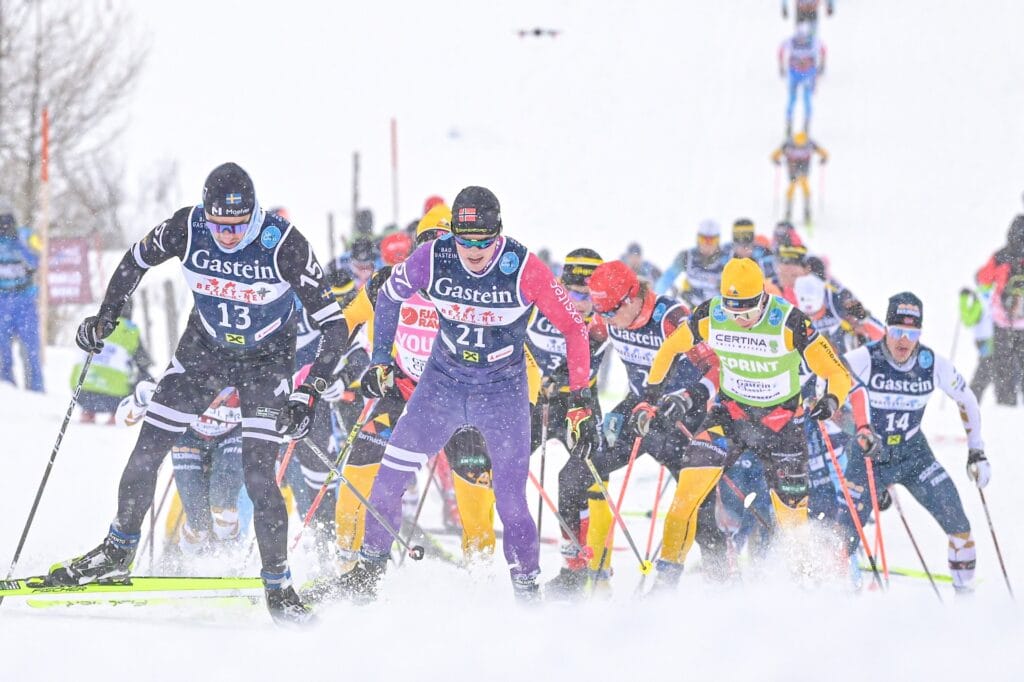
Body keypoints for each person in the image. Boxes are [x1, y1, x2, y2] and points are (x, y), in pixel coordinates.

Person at [47, 162, 350, 625]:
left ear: (254, 214)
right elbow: (133, 260)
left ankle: (279, 584)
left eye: (237, 225)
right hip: (204, 351)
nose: (227, 235)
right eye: (219, 225)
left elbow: (334, 324)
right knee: (147, 451)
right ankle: (116, 551)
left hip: (265, 364)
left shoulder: (283, 242)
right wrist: (106, 317)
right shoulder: (187, 226)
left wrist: (308, 392)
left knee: (258, 474)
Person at [341, 186, 596, 602]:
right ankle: (367, 578)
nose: (473, 251)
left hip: (501, 392)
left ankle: (526, 592)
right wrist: (381, 361)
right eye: (464, 240)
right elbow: (386, 297)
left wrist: (581, 398)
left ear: (499, 234)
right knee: (386, 483)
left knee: (511, 502)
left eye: (483, 241)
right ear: (452, 234)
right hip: (441, 386)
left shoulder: (522, 266)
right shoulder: (433, 257)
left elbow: (573, 328)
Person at [643, 258, 852, 589]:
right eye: (733, 311)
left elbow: (837, 372)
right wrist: (652, 392)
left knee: (793, 525)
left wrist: (831, 400)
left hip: (781, 426)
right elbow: (670, 347)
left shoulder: (788, 321)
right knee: (685, 500)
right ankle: (664, 587)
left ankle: (806, 594)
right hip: (731, 418)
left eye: (748, 311)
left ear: (763, 298)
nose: (740, 320)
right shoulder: (712, 316)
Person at [582, 261, 723, 592]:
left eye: (610, 311)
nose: (605, 320)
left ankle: (723, 586)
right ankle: (590, 575)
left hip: (684, 417)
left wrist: (688, 399)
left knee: (700, 514)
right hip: (640, 409)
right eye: (599, 312)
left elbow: (715, 368)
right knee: (582, 468)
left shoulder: (671, 319)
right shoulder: (609, 315)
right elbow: (587, 346)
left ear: (631, 298)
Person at [841, 293, 988, 593]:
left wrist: (977, 451)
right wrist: (854, 429)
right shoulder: (866, 358)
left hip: (913, 454)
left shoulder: (930, 363)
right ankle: (840, 597)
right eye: (896, 331)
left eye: (911, 333)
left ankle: (966, 606)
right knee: (841, 537)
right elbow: (825, 388)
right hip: (869, 456)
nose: (903, 341)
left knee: (960, 526)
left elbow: (967, 400)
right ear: (886, 328)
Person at [525, 247, 611, 595]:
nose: (581, 302)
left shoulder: (601, 322)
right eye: (574, 293)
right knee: (499, 466)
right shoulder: (537, 309)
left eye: (589, 294)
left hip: (581, 408)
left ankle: (587, 569)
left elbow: (584, 362)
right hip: (536, 404)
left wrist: (556, 380)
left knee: (580, 486)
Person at [115, 382, 246, 562]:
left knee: (222, 506)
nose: (215, 403)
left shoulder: (245, 388)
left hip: (231, 437)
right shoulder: (182, 383)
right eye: (210, 394)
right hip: (188, 438)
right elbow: (122, 421)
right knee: (198, 525)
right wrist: (140, 399)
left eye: (223, 397)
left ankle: (233, 558)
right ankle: (180, 563)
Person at [71, 299, 154, 424]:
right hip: (114, 398)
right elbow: (143, 362)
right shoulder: (130, 329)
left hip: (82, 393)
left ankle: (88, 412)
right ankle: (115, 414)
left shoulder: (95, 324)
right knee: (143, 378)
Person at [974, 215, 1024, 405]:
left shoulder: (1002, 256)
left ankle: (1005, 403)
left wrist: (978, 276)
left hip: (1003, 322)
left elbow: (983, 279)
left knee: (1004, 365)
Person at [0, 204, 43, 392]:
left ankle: (36, 390)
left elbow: (38, 259)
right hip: (2, 302)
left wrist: (19, 244)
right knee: (2, 352)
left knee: (31, 351)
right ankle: (7, 389)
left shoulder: (26, 235)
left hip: (25, 301)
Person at [654, 220, 729, 306]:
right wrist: (656, 299)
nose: (707, 244)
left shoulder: (726, 260)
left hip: (718, 309)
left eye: (712, 240)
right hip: (693, 308)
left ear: (718, 241)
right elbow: (666, 279)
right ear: (697, 239)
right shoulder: (686, 257)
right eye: (703, 239)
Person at [778, 23, 826, 135]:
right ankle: (792, 123)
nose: (801, 42)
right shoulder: (795, 41)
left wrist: (821, 66)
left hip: (805, 74)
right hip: (798, 74)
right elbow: (781, 50)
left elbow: (823, 50)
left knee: (806, 99)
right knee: (793, 99)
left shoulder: (812, 41)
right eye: (799, 39)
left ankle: (805, 124)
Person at [771, 131, 828, 223]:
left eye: (802, 146)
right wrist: (775, 159)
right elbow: (776, 153)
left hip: (804, 166)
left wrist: (824, 158)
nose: (800, 147)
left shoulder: (810, 143)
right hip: (792, 167)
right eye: (798, 145)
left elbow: (823, 152)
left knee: (805, 185)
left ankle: (807, 211)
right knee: (792, 187)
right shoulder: (788, 143)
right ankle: (788, 212)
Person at [959, 285, 996, 400]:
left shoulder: (980, 297)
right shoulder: (996, 292)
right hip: (995, 339)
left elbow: (968, 320)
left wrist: (963, 299)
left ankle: (972, 398)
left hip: (985, 338)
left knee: (987, 368)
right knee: (991, 367)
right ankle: (972, 398)